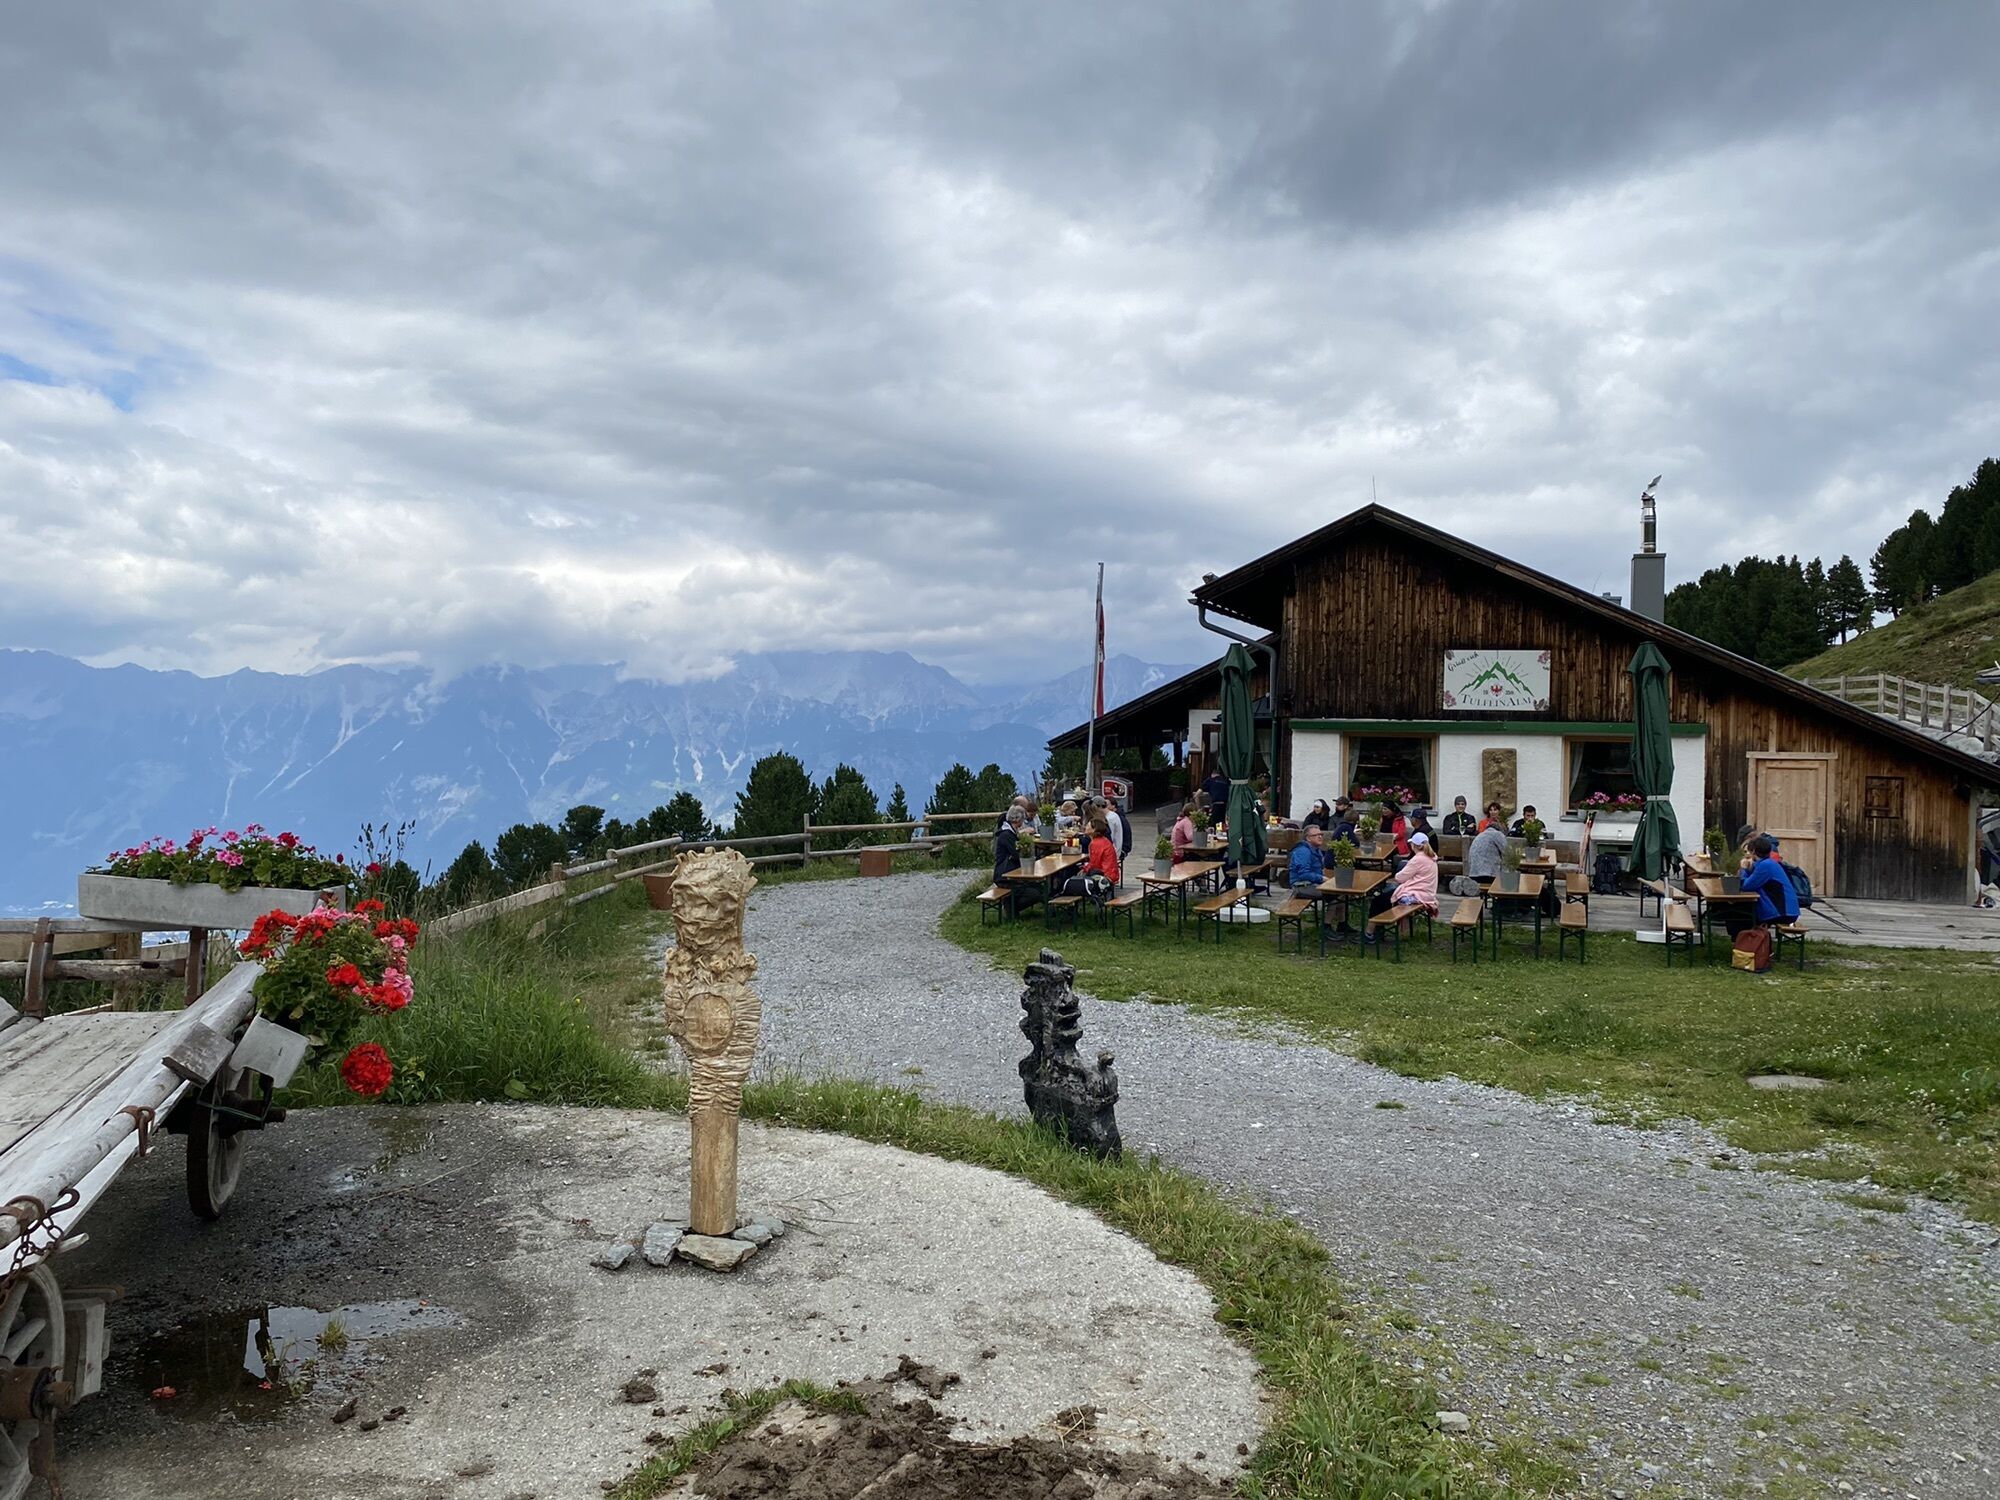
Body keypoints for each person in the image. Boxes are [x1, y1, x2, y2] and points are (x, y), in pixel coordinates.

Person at [1366, 832, 1440, 941]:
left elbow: (1400, 878)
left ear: (1415, 846)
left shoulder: (1418, 859)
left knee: (1378, 900)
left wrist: (1398, 874)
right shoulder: (1431, 857)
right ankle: (1378, 930)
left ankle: (1369, 933)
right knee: (1386, 897)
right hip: (1427, 894)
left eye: (1412, 844)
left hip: (1416, 894)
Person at [1739, 835, 1800, 926]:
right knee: (1742, 913)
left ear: (1754, 851)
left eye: (1748, 851)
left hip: (1783, 912)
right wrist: (1749, 869)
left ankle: (1745, 935)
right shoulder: (1769, 863)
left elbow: (1746, 886)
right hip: (1786, 911)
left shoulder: (1765, 866)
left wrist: (1743, 869)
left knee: (1739, 915)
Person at [1064, 816, 1120, 899]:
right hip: (1111, 873)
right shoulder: (1103, 840)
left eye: (1088, 825)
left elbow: (1094, 864)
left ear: (1094, 830)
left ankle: (1063, 893)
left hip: (1105, 875)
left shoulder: (1096, 843)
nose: (1085, 827)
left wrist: (1084, 869)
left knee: (1070, 871)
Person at [1288, 823, 1327, 888]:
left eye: (1321, 834)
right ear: (1308, 838)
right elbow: (1304, 874)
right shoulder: (1303, 851)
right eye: (1316, 835)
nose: (1320, 837)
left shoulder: (1316, 849)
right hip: (1302, 885)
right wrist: (1322, 878)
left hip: (1313, 884)